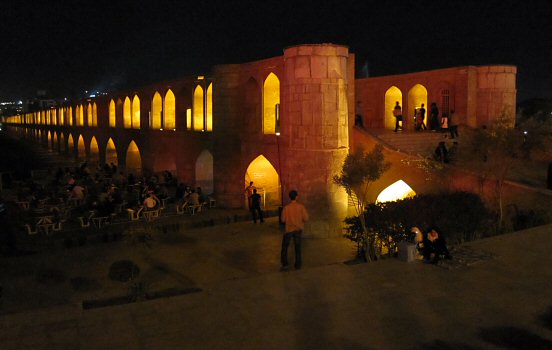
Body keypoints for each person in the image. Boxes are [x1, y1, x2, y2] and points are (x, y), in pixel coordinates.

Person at [280, 190, 309, 270]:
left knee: (285, 247)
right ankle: (298, 265)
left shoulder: (286, 208)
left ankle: (285, 264)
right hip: (298, 229)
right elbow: (306, 218)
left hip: (288, 230)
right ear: (296, 197)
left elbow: (283, 220)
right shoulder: (301, 207)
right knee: (298, 247)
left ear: (290, 197)